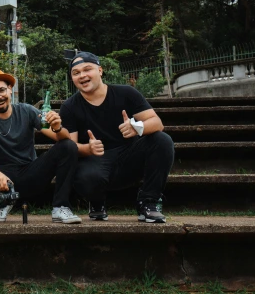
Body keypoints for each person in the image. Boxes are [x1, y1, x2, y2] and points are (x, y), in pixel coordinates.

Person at [60, 52, 174, 223]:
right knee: (86, 178)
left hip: (129, 157)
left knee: (162, 140)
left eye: (87, 69)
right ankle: (96, 201)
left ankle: (148, 202)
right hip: (95, 162)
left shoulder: (126, 93)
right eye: (76, 73)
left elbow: (157, 123)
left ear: (100, 70)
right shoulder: (69, 107)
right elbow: (71, 146)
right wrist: (88, 148)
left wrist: (137, 128)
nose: (82, 75)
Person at [0, 69, 81, 224]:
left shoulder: (27, 110)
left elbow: (61, 138)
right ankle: (2, 203)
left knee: (68, 146)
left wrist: (57, 127)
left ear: (10, 89)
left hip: (31, 173)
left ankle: (60, 207)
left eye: (1, 90)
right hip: (3, 180)